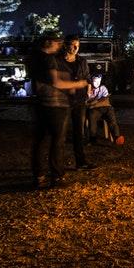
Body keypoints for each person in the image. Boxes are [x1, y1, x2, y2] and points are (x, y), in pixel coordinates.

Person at [25, 33, 90, 189]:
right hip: (55, 105)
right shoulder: (48, 59)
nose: (60, 45)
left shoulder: (34, 58)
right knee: (57, 141)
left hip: (40, 104)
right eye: (58, 42)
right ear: (48, 42)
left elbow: (38, 83)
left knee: (40, 141)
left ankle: (39, 176)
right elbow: (56, 82)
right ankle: (57, 175)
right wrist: (77, 84)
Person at [61, 36, 95, 168]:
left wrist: (88, 91)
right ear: (66, 45)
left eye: (78, 46)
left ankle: (80, 161)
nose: (75, 48)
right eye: (73, 45)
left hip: (79, 100)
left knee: (78, 132)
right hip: (64, 100)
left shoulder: (82, 61)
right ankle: (58, 163)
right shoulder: (59, 62)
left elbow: (87, 78)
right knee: (61, 132)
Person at [86, 75, 123, 147]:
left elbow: (106, 98)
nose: (97, 83)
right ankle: (93, 138)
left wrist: (96, 101)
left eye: (99, 81)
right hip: (94, 109)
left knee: (112, 119)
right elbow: (86, 101)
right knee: (92, 117)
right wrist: (89, 93)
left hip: (106, 107)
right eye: (95, 81)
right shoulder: (88, 89)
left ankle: (116, 137)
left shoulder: (103, 88)